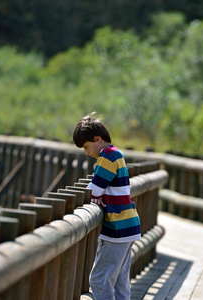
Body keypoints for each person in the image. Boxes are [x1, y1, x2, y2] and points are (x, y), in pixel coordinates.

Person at [73, 113, 141, 300]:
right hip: (128, 224)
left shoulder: (107, 155)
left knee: (99, 279)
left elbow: (97, 184)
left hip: (117, 226)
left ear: (98, 139)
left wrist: (95, 196)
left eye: (86, 147)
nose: (86, 152)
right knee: (120, 280)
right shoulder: (116, 153)